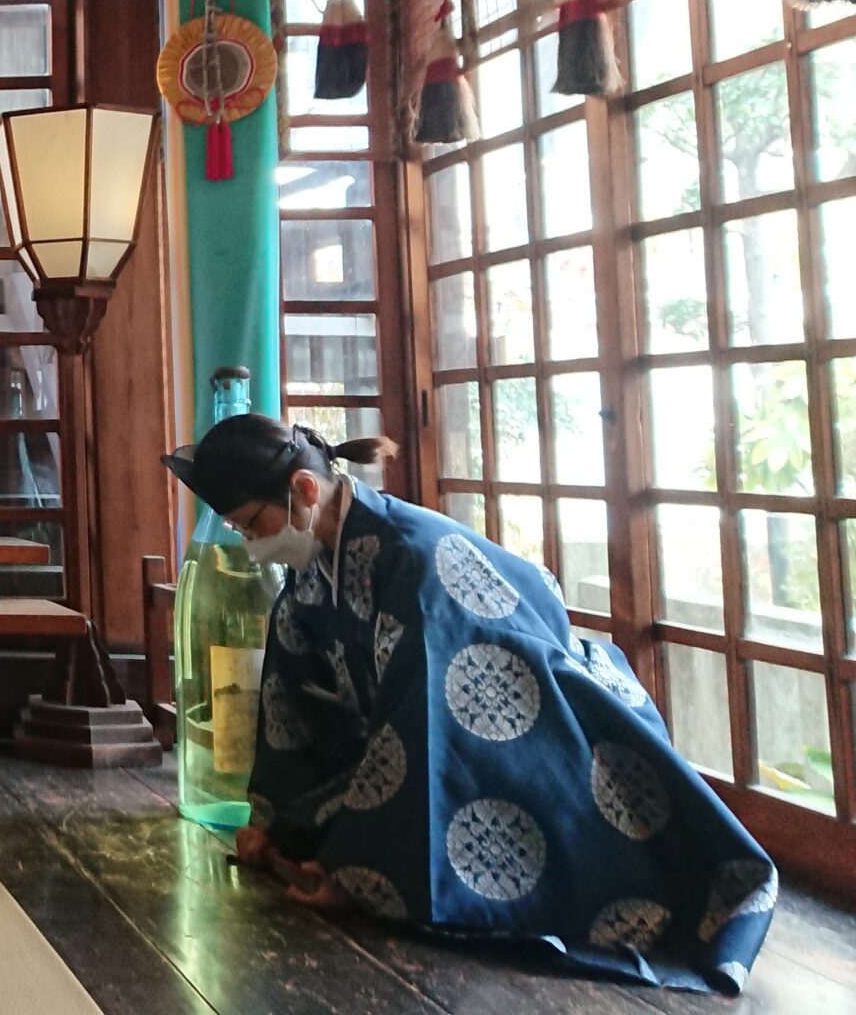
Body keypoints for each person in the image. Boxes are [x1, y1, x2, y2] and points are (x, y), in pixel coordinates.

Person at [164, 415, 775, 994]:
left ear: (304, 490)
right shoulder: (315, 563)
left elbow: (434, 726)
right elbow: (291, 700)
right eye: (241, 531)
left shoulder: (417, 564)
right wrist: (272, 824)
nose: (252, 545)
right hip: (428, 751)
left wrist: (357, 873)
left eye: (252, 525)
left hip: (549, 740)